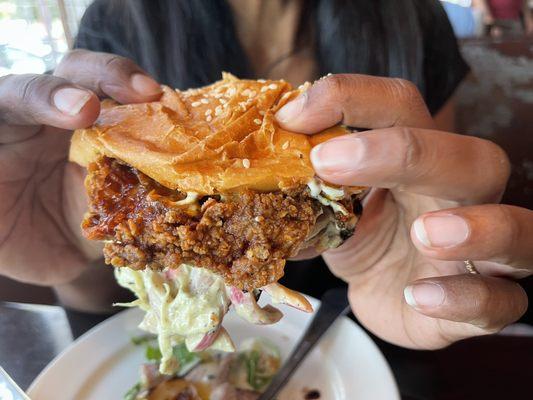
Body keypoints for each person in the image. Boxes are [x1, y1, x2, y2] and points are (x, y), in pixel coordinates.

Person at [0, 0, 532, 351]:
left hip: (366, 345)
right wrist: (75, 243)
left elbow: (431, 181)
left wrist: (422, 260)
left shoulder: (411, 16)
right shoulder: (119, 19)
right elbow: (106, 311)